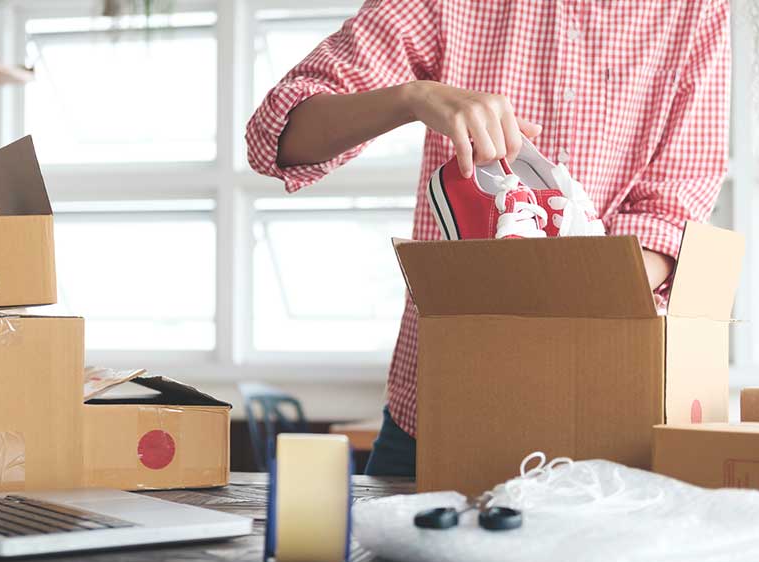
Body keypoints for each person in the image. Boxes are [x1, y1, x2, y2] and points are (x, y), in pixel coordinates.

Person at [246, 1, 730, 476]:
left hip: (602, 414)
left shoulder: (696, 12)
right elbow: (276, 138)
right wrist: (413, 97)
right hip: (436, 409)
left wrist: (550, 285)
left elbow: (669, 213)